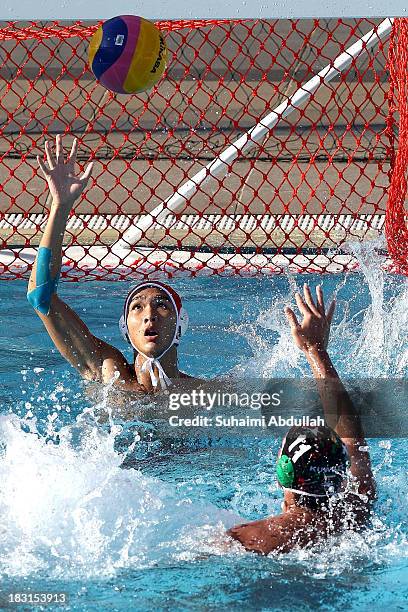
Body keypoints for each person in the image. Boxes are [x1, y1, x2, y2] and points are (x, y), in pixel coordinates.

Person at [27, 135, 192, 392]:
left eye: (161, 305)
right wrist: (59, 208)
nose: (149, 315)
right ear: (125, 328)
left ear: (181, 324)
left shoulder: (204, 394)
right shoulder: (108, 373)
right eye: (137, 307)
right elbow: (41, 297)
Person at [227, 284, 376, 554]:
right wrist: (316, 350)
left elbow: (354, 442)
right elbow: (353, 439)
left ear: (284, 471)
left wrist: (313, 348)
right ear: (342, 477)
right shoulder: (356, 513)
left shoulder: (246, 539)